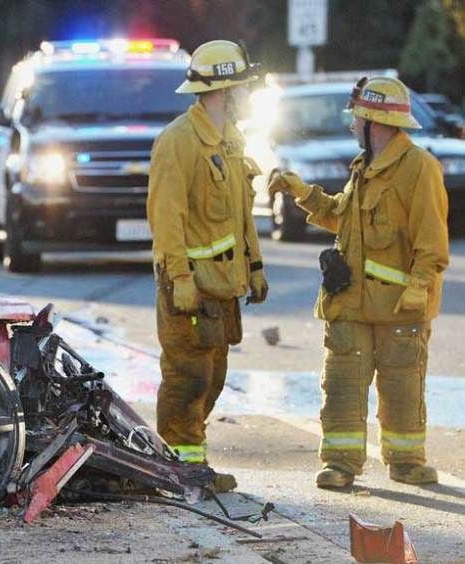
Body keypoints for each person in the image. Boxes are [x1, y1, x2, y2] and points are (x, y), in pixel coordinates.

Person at [269, 76, 448, 488]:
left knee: (401, 386)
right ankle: (341, 464)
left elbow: (432, 241)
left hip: (399, 307)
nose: (352, 125)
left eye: (358, 119)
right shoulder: (363, 168)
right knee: (342, 384)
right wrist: (303, 193)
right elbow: (342, 219)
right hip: (350, 302)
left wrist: (419, 285)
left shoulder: (420, 169)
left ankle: (405, 462)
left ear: (376, 122)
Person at [147, 40, 268, 493]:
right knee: (187, 378)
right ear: (224, 91)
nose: (248, 95)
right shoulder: (178, 142)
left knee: (213, 378)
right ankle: (179, 470)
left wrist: (255, 266)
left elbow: (242, 213)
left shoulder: (230, 141)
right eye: (243, 87)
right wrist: (178, 277)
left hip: (221, 287)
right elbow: (167, 218)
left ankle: (187, 464)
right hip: (190, 288)